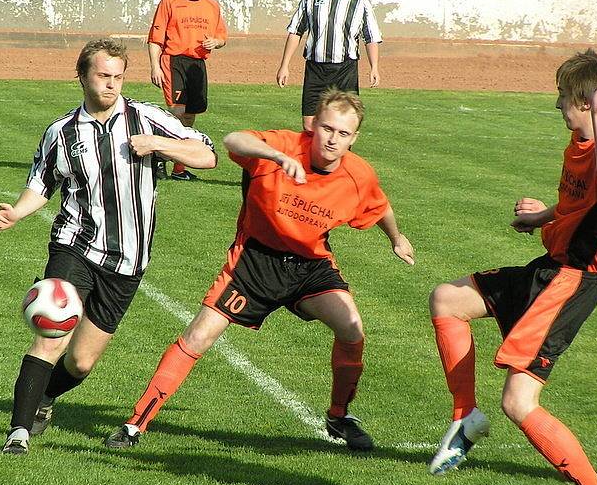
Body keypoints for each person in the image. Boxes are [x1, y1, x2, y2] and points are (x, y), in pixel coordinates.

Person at [104, 88, 414, 451]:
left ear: (354, 137)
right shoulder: (283, 144)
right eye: (327, 128)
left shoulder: (358, 175)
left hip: (309, 265)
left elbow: (380, 206)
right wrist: (276, 156)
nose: (332, 139)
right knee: (198, 336)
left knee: (351, 328)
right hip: (253, 262)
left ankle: (339, 416)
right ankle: (135, 425)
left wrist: (397, 238)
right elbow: (232, 140)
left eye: (343, 134)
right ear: (314, 124)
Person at [0, 38, 217, 455]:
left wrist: (159, 145)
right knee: (51, 333)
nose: (111, 84)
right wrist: (16, 214)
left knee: (80, 363)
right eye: (102, 76)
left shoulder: (145, 117)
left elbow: (207, 155)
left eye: (117, 76)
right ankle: (17, 433)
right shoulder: (62, 131)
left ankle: (45, 397)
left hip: (128, 261)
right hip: (74, 245)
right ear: (82, 76)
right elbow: (41, 184)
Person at [427, 49, 597, 485]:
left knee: (518, 402)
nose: (557, 106)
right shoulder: (578, 143)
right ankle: (464, 417)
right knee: (446, 298)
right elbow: (576, 204)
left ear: (584, 101)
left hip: (570, 284)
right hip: (546, 270)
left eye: (563, 98)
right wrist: (541, 215)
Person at [276, 0, 382, 132]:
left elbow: (370, 37)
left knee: (344, 125)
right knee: (310, 126)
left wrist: (374, 67)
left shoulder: (360, 1)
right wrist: (284, 65)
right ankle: (313, 160)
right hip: (315, 69)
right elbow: (295, 31)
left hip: (345, 70)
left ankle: (341, 160)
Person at [147, 0, 227, 180]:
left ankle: (179, 169)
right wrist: (155, 66)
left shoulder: (211, 6)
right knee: (177, 112)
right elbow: (155, 39)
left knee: (189, 117)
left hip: (197, 65)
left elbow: (221, 37)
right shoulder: (170, 2)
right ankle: (158, 156)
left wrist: (216, 43)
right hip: (174, 61)